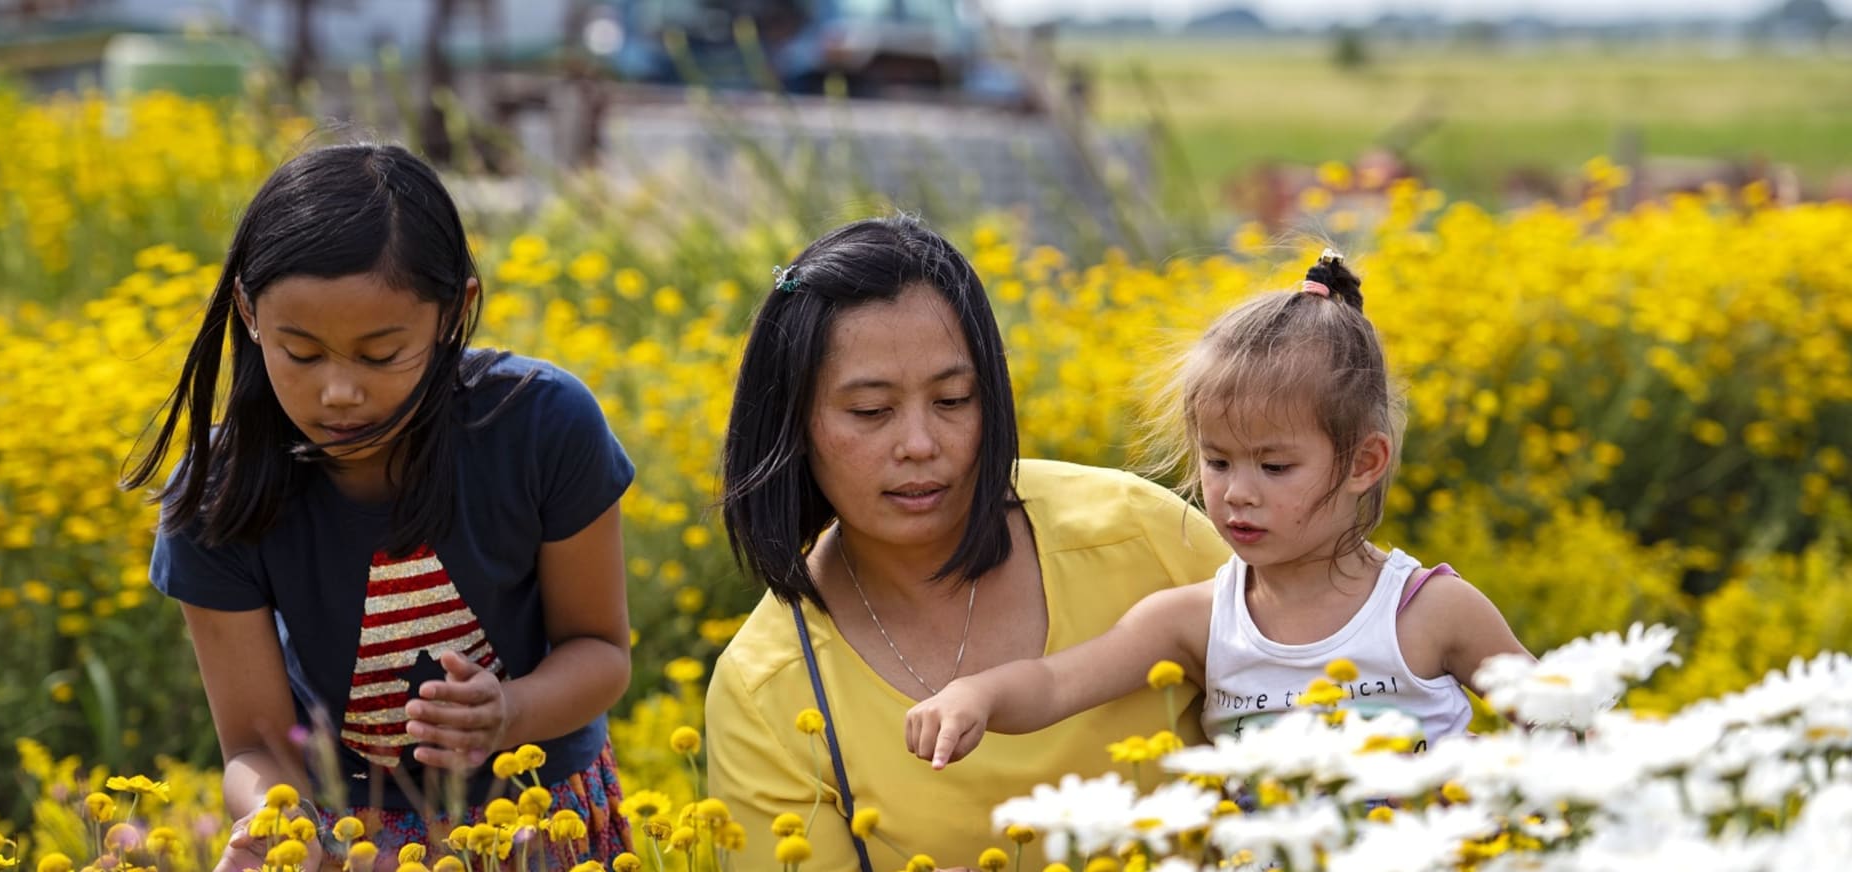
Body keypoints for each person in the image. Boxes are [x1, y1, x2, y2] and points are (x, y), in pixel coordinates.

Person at [124, 143, 635, 871]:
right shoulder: (219, 491)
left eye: (379, 354)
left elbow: (602, 654)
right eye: (301, 354)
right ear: (248, 311)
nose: (337, 392)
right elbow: (254, 745)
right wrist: (285, 829)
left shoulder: (542, 426)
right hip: (346, 837)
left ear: (453, 311)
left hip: (536, 813)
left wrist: (508, 712)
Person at [705, 215, 1233, 871]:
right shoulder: (767, 692)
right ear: (793, 426)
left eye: (954, 400)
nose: (920, 444)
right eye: (871, 412)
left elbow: (1333, 704)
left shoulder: (1139, 534)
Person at [906, 250, 1534, 768]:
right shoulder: (1198, 620)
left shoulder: (1429, 612)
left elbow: (1571, 722)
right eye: (1219, 461)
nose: (1237, 492)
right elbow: (1057, 683)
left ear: (1363, 463)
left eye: (1275, 466)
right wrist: (976, 695)